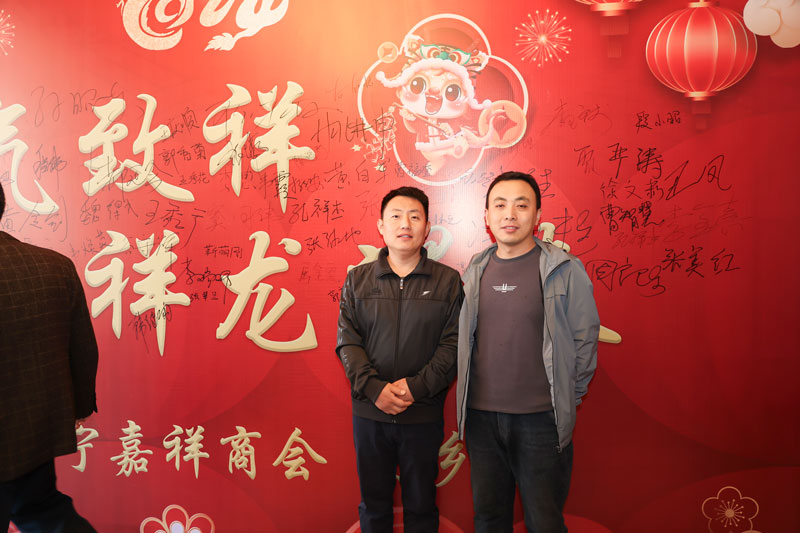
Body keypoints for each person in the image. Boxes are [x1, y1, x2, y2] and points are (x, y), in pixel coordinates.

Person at [456, 171, 600, 533]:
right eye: (500, 205)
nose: (510, 214)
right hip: (482, 420)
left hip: (541, 421)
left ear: (537, 216)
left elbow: (584, 339)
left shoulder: (564, 269)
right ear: (486, 216)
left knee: (544, 522)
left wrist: (566, 397)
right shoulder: (475, 270)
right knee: (488, 519)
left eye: (521, 205)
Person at [336, 186, 463, 533]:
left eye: (414, 216)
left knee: (421, 506)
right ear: (381, 225)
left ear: (427, 227)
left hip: (422, 413)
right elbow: (348, 342)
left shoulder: (448, 282)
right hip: (370, 413)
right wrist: (374, 389)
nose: (405, 224)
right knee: (373, 506)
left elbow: (453, 345)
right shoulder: (358, 280)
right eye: (395, 216)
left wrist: (415, 388)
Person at [0, 184, 99, 532]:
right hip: (33, 433)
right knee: (44, 513)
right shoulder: (53, 266)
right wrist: (80, 407)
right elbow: (83, 349)